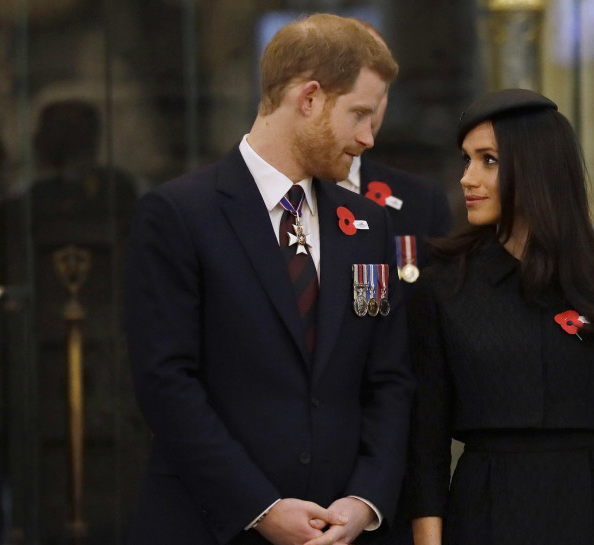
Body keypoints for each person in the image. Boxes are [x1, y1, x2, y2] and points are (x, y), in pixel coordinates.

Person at [125, 13, 413, 545]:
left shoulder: (369, 226)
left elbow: (390, 378)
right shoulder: (179, 214)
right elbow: (165, 382)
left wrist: (365, 500)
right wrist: (261, 507)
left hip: (344, 530)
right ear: (309, 99)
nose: (368, 138)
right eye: (359, 115)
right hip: (211, 523)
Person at [404, 88, 594, 545]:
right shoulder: (442, 289)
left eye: (488, 160)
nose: (467, 178)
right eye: (466, 160)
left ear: (535, 168)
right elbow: (426, 446)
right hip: (486, 511)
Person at [337, 25, 452, 296]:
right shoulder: (284, 195)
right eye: (358, 84)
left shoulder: (423, 202)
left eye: (381, 89)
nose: (372, 105)